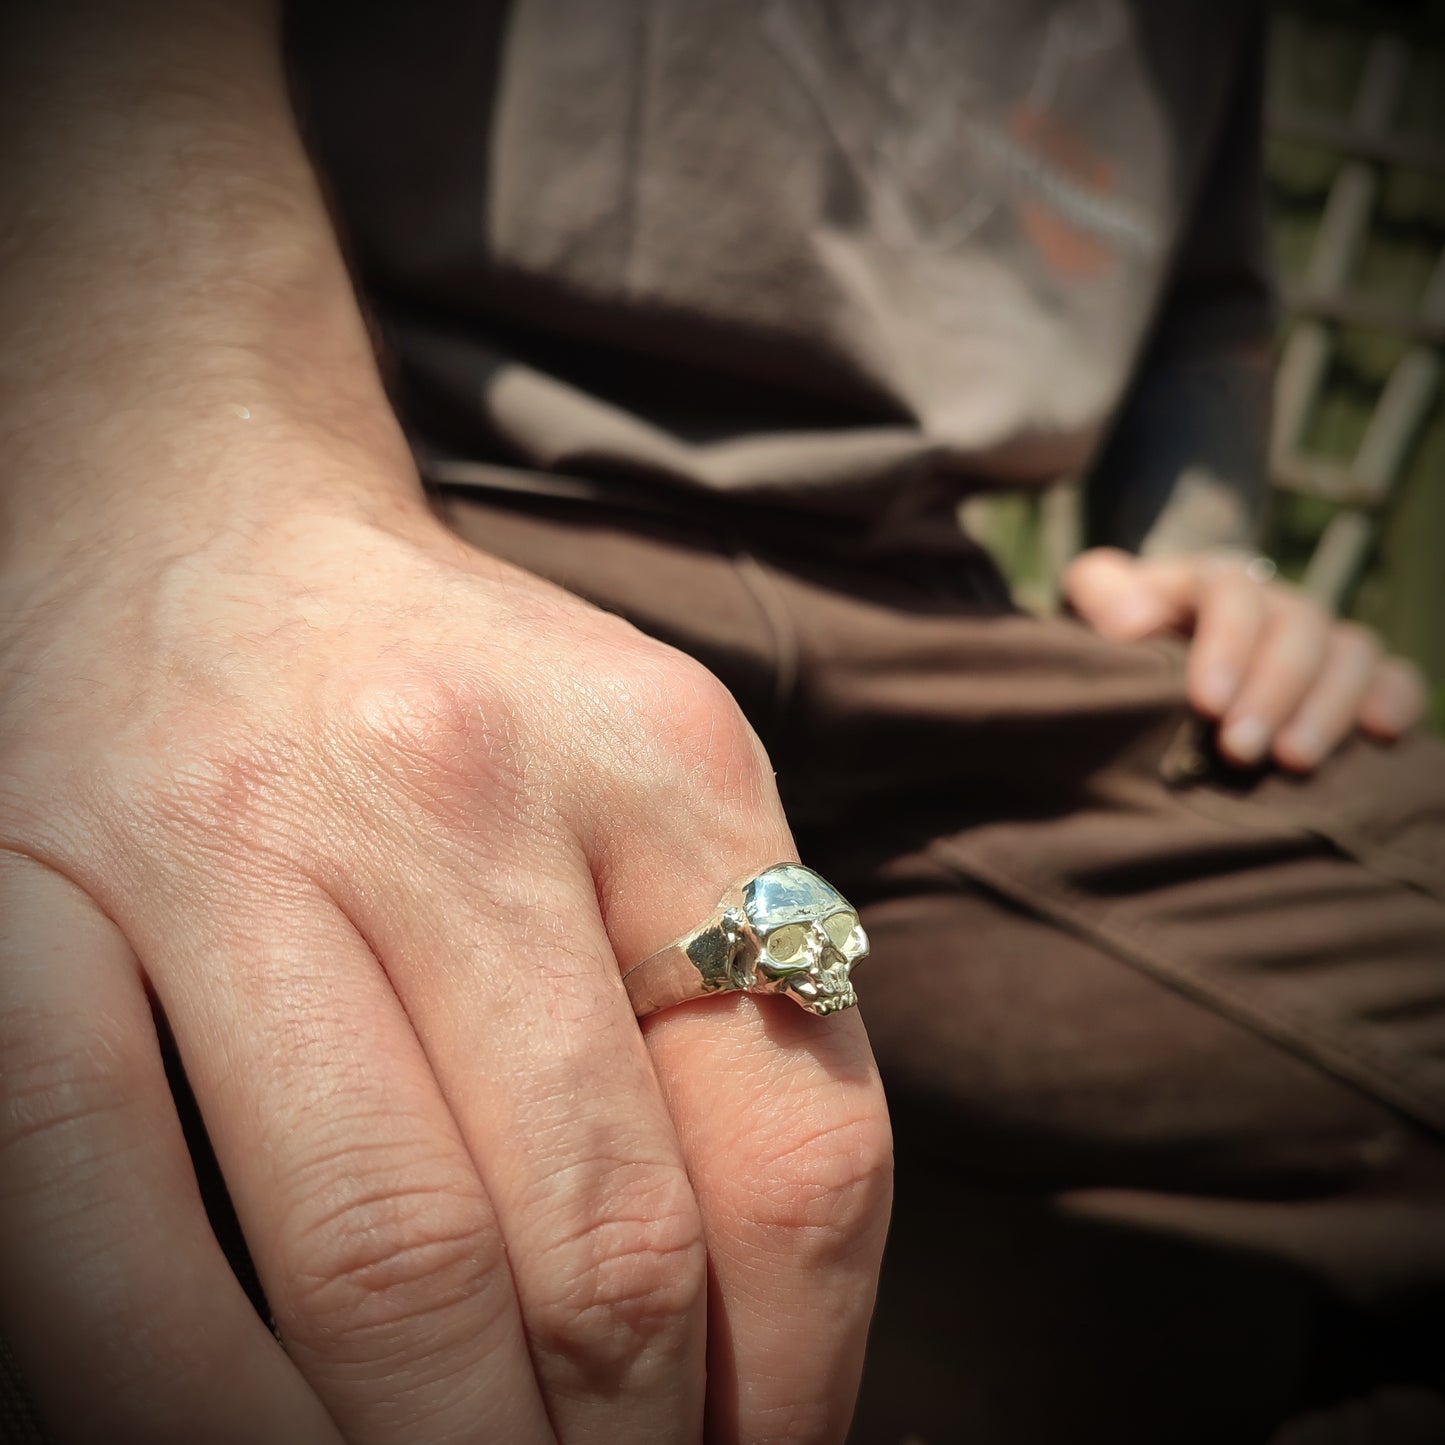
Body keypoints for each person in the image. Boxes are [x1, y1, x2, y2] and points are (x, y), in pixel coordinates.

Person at [0, 3, 1439, 1444]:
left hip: (943, 617)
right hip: (397, 476)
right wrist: (190, 457)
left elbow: (1205, 284)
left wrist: (1202, 546)